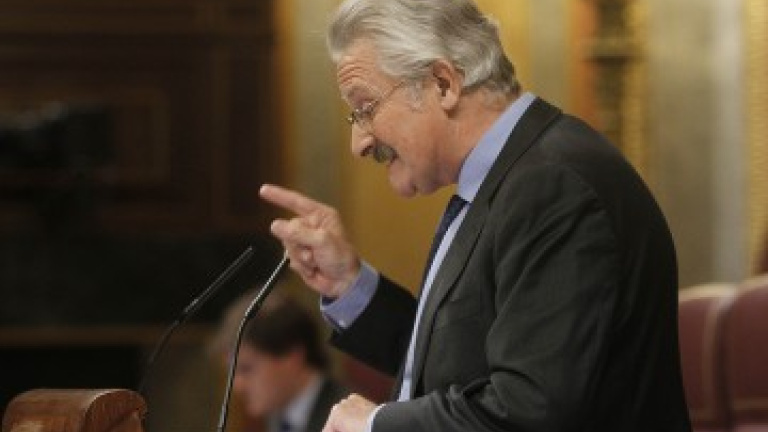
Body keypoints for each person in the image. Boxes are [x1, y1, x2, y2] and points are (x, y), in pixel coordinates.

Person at [259, 0, 692, 430]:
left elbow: (531, 408)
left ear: (443, 84)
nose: (360, 143)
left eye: (366, 108)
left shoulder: (553, 187)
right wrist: (348, 286)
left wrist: (376, 425)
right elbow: (454, 366)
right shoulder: (512, 180)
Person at [211, 292, 348, 432]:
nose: (237, 385)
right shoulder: (277, 417)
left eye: (246, 369)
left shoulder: (348, 423)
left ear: (292, 356)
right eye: (232, 372)